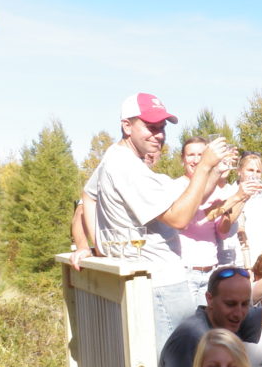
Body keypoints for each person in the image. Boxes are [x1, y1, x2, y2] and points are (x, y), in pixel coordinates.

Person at [92, 93, 231, 352]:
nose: (159, 135)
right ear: (126, 126)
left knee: (179, 362)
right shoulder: (127, 167)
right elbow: (179, 219)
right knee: (180, 364)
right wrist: (204, 167)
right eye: (151, 127)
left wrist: (214, 172)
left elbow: (191, 199)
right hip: (161, 281)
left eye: (162, 128)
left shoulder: (119, 159)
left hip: (156, 280)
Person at [177, 136, 258, 303]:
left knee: (209, 326)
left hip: (210, 271)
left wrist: (243, 198)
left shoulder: (215, 190)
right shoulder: (177, 186)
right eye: (191, 154)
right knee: (189, 327)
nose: (196, 159)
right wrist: (237, 197)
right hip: (185, 271)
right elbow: (193, 220)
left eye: (201, 154)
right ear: (182, 160)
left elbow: (222, 230)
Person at [235, 152, 262, 267]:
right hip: (236, 259)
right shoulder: (229, 192)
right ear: (239, 171)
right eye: (250, 170)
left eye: (258, 171)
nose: (254, 175)